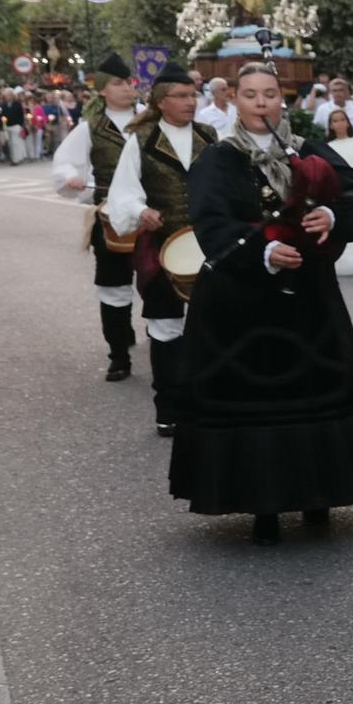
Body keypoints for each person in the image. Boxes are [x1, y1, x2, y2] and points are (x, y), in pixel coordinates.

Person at [169, 62, 353, 544]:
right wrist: (262, 250)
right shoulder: (218, 159)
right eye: (251, 94)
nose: (261, 102)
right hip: (242, 305)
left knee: (314, 393)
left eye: (270, 93)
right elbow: (210, 224)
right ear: (236, 101)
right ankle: (260, 508)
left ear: (281, 100)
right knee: (257, 400)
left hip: (308, 302)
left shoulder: (307, 150)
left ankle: (320, 496)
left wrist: (330, 214)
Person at [104, 62, 215, 435]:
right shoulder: (142, 139)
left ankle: (209, 400)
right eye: (181, 96)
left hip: (210, 244)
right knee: (167, 327)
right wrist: (141, 210)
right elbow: (123, 191)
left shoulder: (210, 135)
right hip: (163, 246)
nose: (190, 102)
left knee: (212, 325)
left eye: (193, 94)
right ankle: (169, 407)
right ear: (160, 101)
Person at [52, 55, 146, 382]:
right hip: (112, 216)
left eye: (128, 82)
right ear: (103, 91)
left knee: (159, 283)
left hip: (152, 213)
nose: (126, 88)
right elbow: (65, 162)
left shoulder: (150, 121)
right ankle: (119, 355)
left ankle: (167, 340)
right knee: (114, 287)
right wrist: (70, 176)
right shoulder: (90, 127)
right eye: (118, 84)